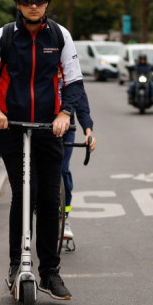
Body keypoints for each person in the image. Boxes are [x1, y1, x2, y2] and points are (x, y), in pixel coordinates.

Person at [0, 0, 85, 301]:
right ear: (18, 5)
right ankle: (15, 265)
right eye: (26, 1)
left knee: (51, 199)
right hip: (11, 128)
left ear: (48, 2)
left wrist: (65, 114)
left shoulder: (60, 36)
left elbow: (74, 82)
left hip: (50, 128)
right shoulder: (3, 37)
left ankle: (50, 272)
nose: (33, 6)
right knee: (23, 194)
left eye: (39, 0)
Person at [58, 71, 96, 240]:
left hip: (66, 130)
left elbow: (82, 110)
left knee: (63, 171)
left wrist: (88, 133)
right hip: (42, 129)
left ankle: (64, 219)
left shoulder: (71, 79)